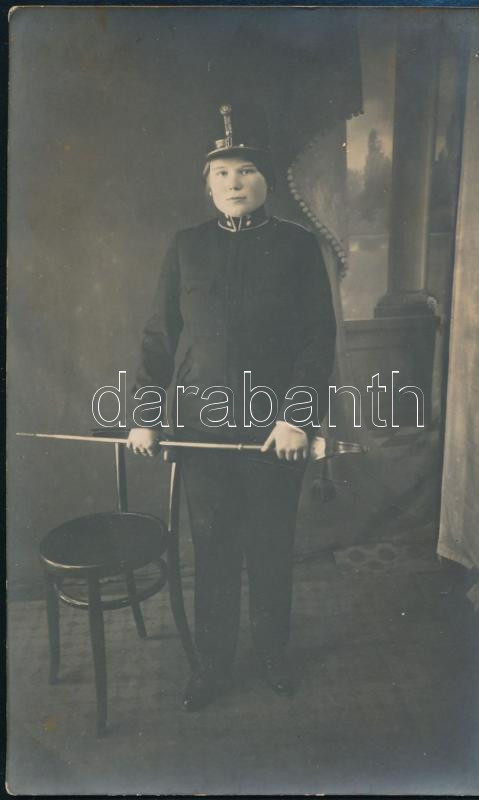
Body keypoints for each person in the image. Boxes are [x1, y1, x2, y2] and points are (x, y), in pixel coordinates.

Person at [127, 102, 336, 710]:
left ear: (266, 180)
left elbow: (316, 338)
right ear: (208, 183)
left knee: (270, 546)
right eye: (221, 173)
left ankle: (272, 653)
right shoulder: (186, 246)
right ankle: (212, 666)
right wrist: (146, 415)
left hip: (276, 429)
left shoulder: (297, 247)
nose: (234, 183)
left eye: (246, 171)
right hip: (202, 430)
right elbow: (159, 337)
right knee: (212, 548)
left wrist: (297, 417)